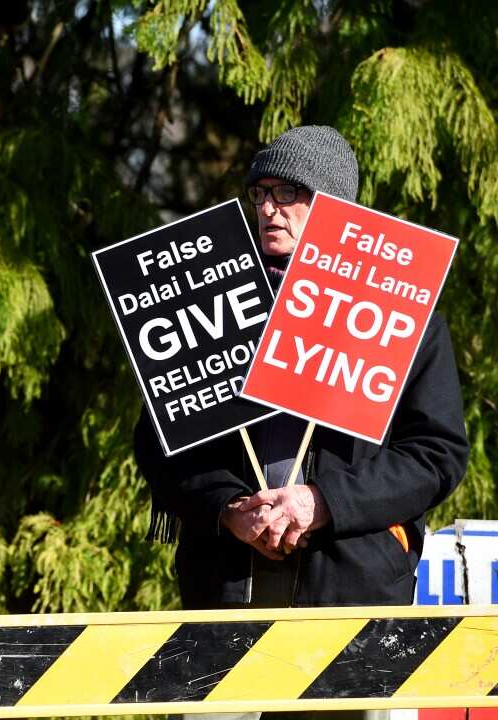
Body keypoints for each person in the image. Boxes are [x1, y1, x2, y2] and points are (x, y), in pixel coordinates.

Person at [135, 126, 469, 617]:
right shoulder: (211, 305)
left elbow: (435, 455)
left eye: (287, 192)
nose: (268, 208)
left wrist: (323, 502)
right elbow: (159, 442)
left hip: (354, 590)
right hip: (224, 588)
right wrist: (226, 509)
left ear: (334, 207)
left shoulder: (403, 315)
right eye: (260, 192)